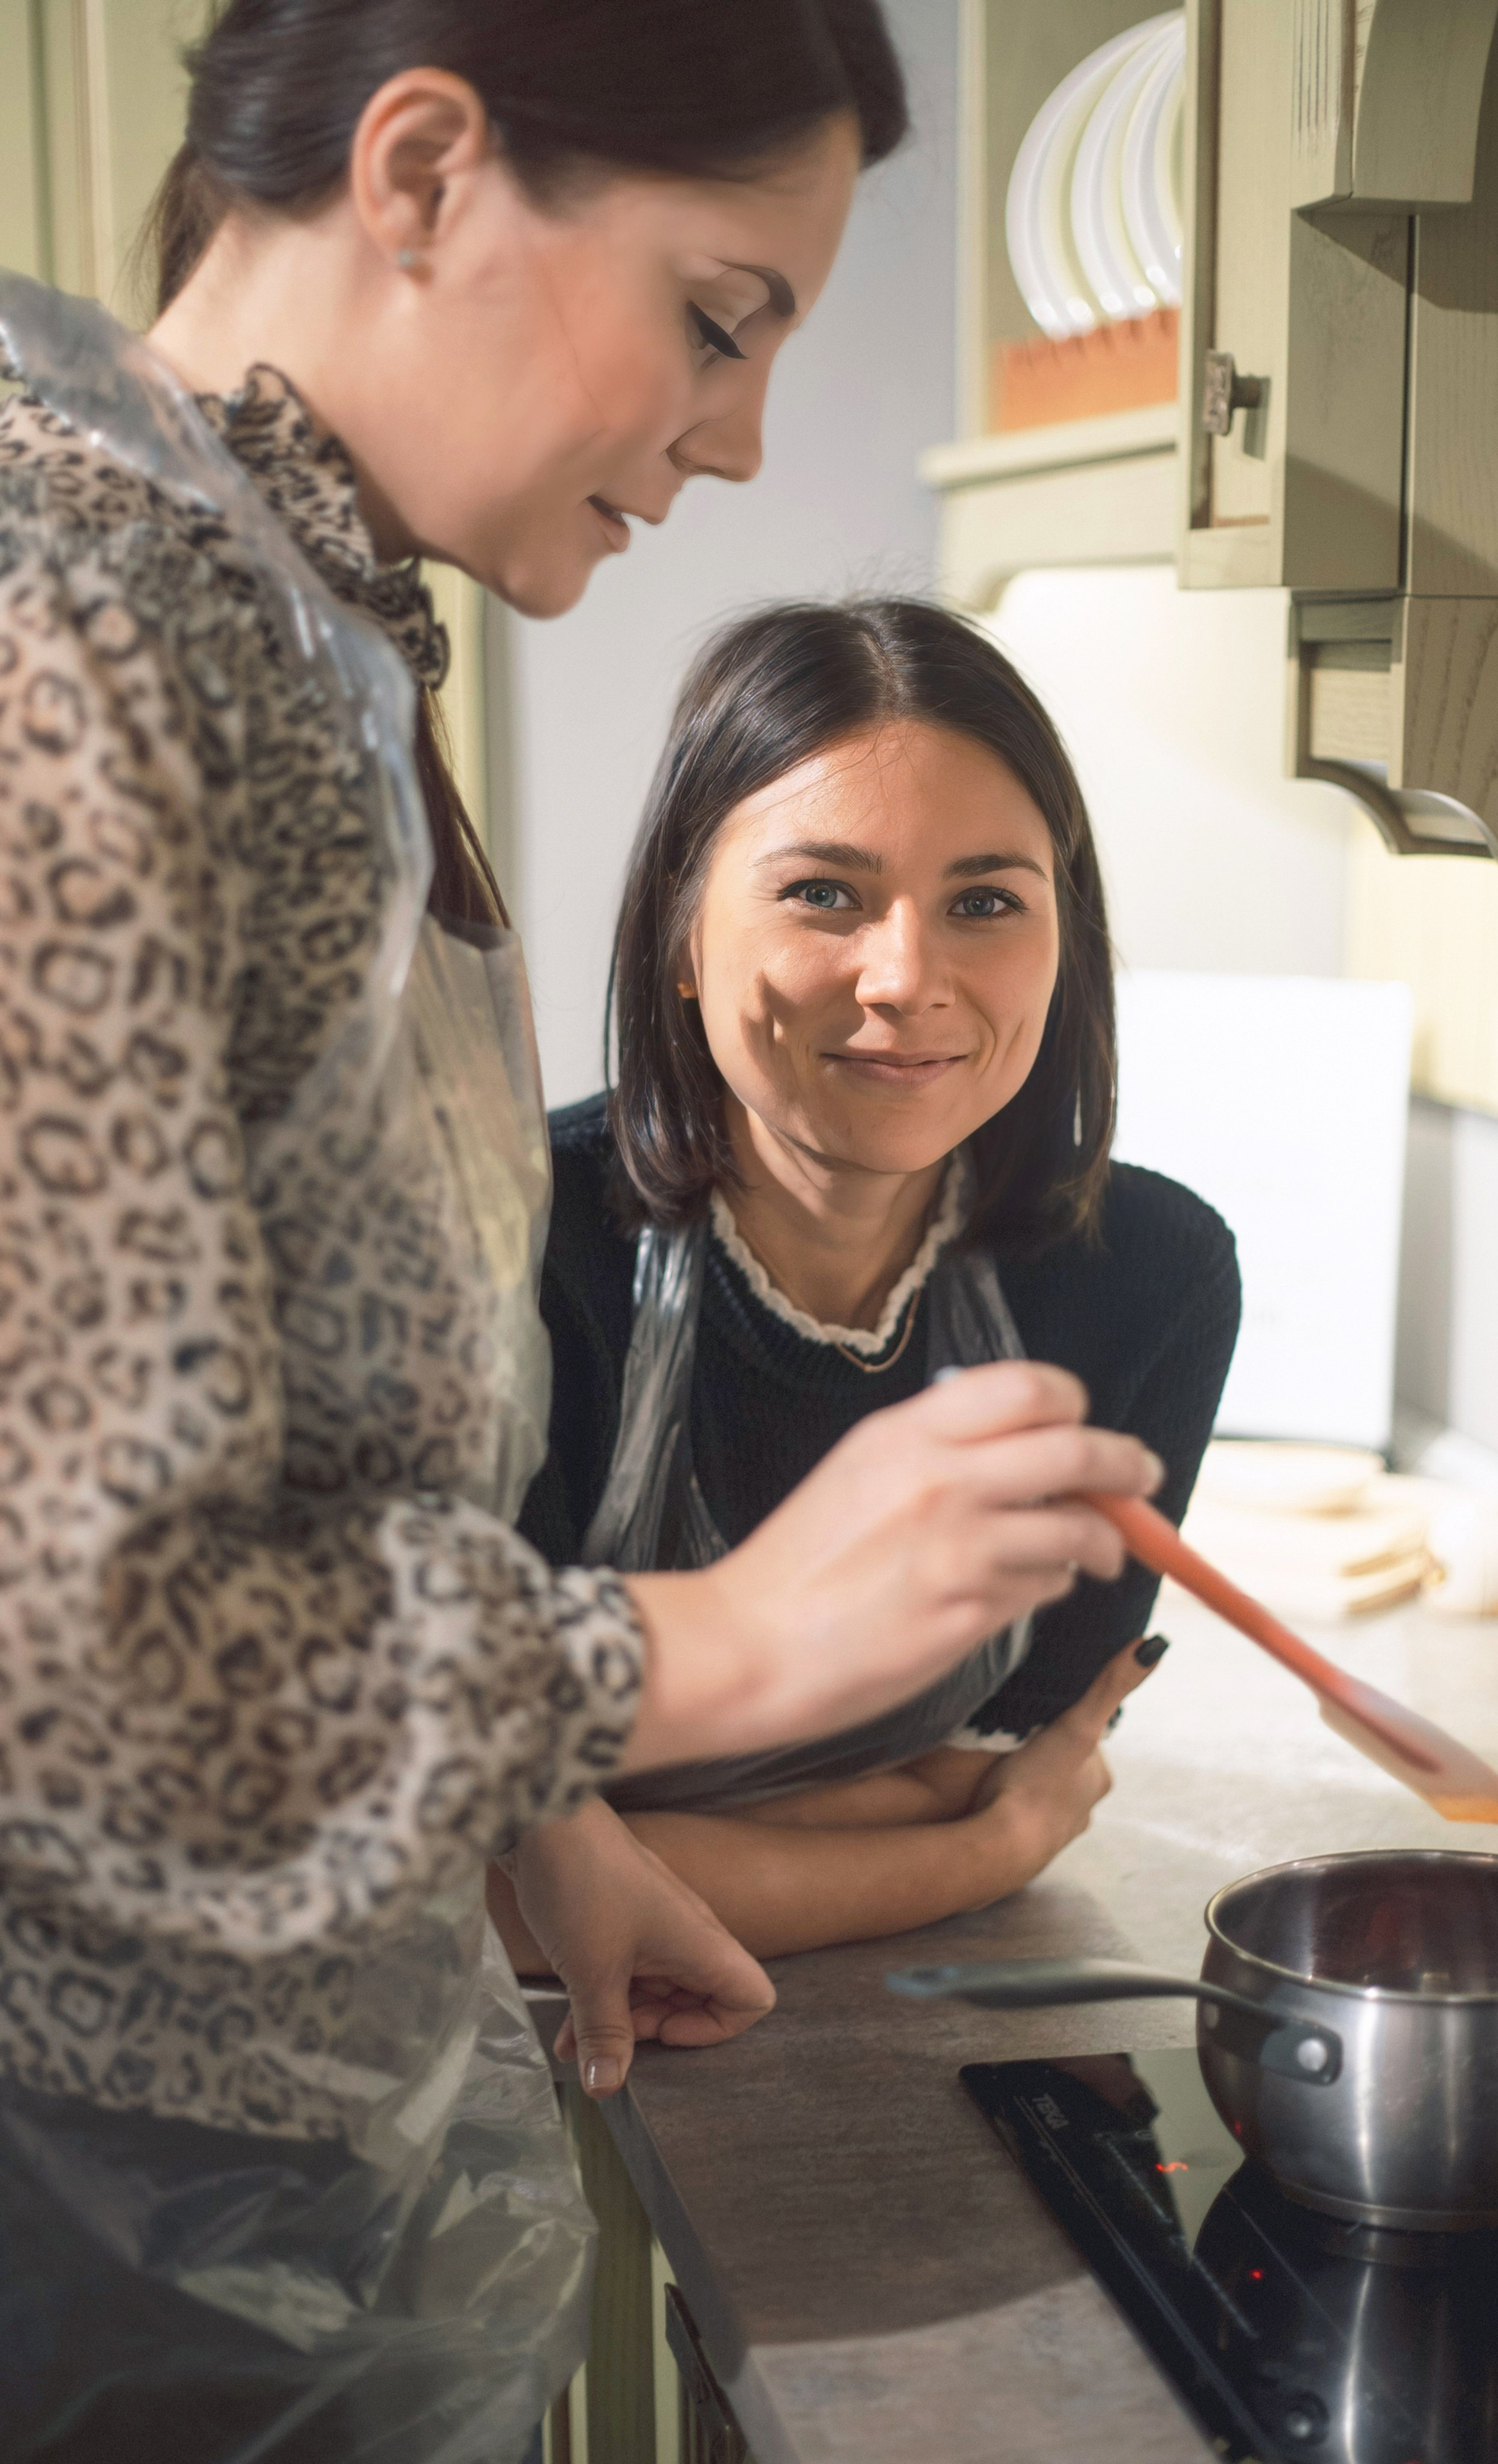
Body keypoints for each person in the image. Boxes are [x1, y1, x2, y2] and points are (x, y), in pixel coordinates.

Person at [0, 7, 1171, 2458]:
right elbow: (76, 1668)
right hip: (98, 2240)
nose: (738, 435)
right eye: (720, 316)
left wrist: (546, 1836)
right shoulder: (74, 653)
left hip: (283, 2186)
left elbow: (295, 1460)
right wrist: (711, 1648)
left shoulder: (308, 643)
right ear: (420, 171)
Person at [497, 599, 1241, 1967]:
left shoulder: (1145, 1277)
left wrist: (612, 1827)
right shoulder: (518, 1253)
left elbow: (1001, 1750)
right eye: (821, 894)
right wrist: (983, 1850)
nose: (904, 978)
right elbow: (470, 1881)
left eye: (983, 902)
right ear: (680, 928)